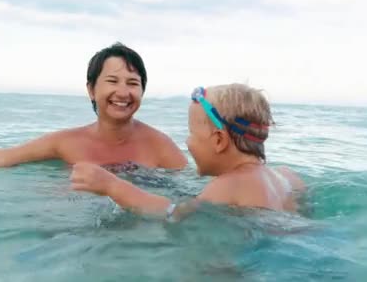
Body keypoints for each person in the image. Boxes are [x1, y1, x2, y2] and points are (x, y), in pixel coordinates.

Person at [0, 43, 187, 170]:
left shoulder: (160, 146)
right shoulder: (66, 143)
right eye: (112, 80)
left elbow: (196, 199)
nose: (123, 92)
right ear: (91, 89)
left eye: (133, 83)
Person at [69, 83, 306, 221]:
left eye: (192, 133)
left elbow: (172, 215)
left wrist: (112, 186)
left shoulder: (227, 186)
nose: (187, 142)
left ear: (219, 140)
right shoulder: (287, 177)